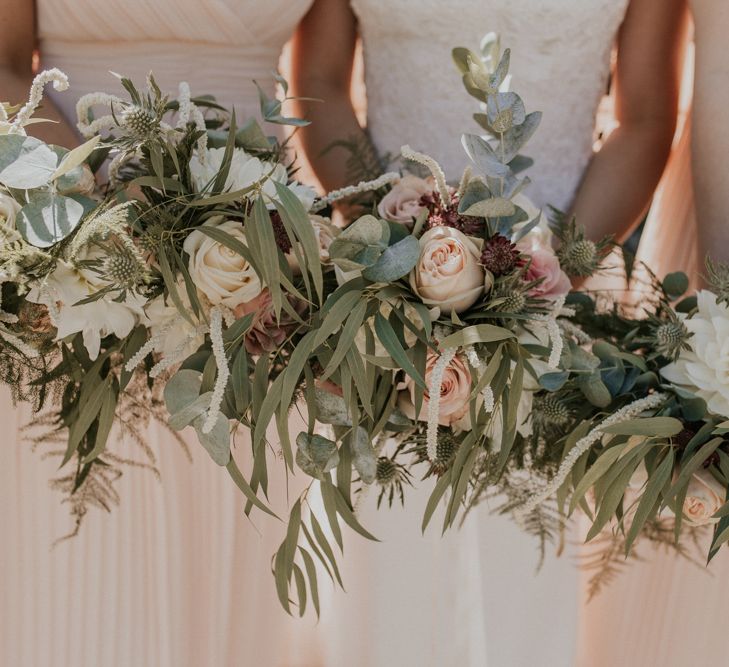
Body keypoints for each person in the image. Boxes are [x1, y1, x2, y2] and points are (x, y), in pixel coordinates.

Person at [291, 1, 688, 665]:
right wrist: (393, 247)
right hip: (386, 295)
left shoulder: (554, 283)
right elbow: (322, 81)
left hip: (558, 298)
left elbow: (645, 116)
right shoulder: (388, 258)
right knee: (387, 553)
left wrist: (548, 273)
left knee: (530, 568)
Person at [0, 1, 325, 666]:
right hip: (75, 270)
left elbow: (328, 89)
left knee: (227, 582)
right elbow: (4, 64)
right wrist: (103, 198)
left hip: (254, 295)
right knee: (77, 580)